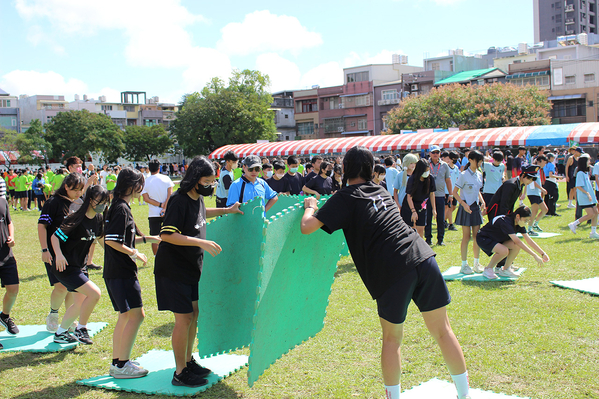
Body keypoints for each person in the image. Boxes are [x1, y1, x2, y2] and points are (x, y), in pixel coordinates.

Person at [300, 146, 471, 399]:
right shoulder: (379, 189)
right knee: (444, 331)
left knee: (392, 340)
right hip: (422, 256)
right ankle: (465, 395)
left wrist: (310, 205)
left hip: (393, 270)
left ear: (344, 169)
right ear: (372, 170)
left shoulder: (345, 196)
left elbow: (306, 227)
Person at [154, 156, 242, 387]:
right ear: (194, 179)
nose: (211, 185)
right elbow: (166, 235)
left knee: (194, 315)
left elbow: (203, 214)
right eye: (207, 181)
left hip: (190, 268)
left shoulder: (197, 198)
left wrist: (227, 210)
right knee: (183, 319)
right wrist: (200, 243)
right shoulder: (179, 200)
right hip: (172, 269)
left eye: (213, 180)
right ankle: (179, 373)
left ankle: (188, 360)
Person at [104, 168, 161, 378]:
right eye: (140, 184)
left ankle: (118, 362)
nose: (142, 188)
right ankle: (122, 365)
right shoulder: (120, 208)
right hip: (121, 271)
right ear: (131, 185)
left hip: (116, 271)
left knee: (126, 315)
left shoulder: (118, 206)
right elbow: (111, 241)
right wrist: (134, 253)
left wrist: (149, 239)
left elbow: (122, 239)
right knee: (137, 315)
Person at [50, 185, 110, 344]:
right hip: (65, 267)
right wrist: (59, 255)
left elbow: (102, 239)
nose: (103, 205)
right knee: (95, 293)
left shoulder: (98, 218)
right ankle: (81, 329)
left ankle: (60, 333)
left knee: (79, 303)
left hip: (79, 267)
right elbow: (55, 238)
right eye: (100, 201)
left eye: (105, 202)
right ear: (90, 200)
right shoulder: (76, 218)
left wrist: (120, 255)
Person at [38, 174, 86, 332]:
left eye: (80, 190)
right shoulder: (53, 202)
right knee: (61, 287)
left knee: (72, 288)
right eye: (75, 190)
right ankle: (53, 314)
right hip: (54, 253)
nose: (78, 193)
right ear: (66, 187)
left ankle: (69, 320)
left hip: (72, 255)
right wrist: (45, 249)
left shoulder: (79, 203)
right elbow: (42, 226)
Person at [477, 206, 549, 279]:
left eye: (528, 220)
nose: (526, 223)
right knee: (504, 250)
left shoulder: (519, 223)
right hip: (483, 238)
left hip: (497, 239)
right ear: (518, 216)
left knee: (515, 246)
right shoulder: (506, 222)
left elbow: (529, 240)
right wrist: (534, 255)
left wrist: (542, 253)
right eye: (526, 220)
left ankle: (506, 269)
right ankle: (488, 269)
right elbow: (518, 242)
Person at [453, 150, 485, 274]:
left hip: (475, 207)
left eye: (481, 161)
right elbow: (455, 192)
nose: (480, 163)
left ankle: (476, 263)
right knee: (466, 237)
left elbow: (478, 191)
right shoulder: (463, 174)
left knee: (477, 237)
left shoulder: (479, 174)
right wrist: (463, 204)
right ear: (470, 160)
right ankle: (464, 265)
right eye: (478, 161)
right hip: (466, 207)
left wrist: (482, 201)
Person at [141, 160, 174, 255]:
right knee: (170, 235)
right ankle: (170, 255)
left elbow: (146, 199)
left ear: (149, 169)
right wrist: (165, 205)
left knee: (155, 237)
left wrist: (160, 205)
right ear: (159, 168)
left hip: (153, 213)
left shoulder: (146, 182)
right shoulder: (166, 178)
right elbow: (170, 194)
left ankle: (156, 257)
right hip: (167, 211)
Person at [401, 159, 436, 239]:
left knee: (421, 229)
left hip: (422, 206)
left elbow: (432, 194)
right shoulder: (412, 179)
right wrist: (413, 211)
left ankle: (419, 249)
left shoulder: (431, 179)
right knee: (411, 230)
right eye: (425, 171)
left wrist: (434, 209)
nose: (427, 173)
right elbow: (409, 196)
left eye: (428, 170)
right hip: (410, 206)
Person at [426, 145, 452, 246]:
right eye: (433, 152)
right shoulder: (426, 164)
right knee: (428, 218)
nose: (435, 154)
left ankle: (440, 239)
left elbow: (448, 180)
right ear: (430, 153)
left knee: (440, 218)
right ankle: (428, 238)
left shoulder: (444, 165)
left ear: (440, 153)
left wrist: (450, 194)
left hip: (440, 195)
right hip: (427, 196)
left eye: (437, 152)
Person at [0, 194, 19, 336]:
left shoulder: (2, 201)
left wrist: (11, 236)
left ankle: (4, 316)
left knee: (13, 289)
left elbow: (9, 221)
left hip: (6, 254)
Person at [568, 154, 599, 239]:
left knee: (596, 213)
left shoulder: (586, 172)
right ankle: (574, 224)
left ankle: (593, 232)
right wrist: (587, 193)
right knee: (591, 214)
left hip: (590, 197)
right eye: (588, 160)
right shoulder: (580, 173)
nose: (589, 162)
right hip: (585, 197)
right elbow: (578, 186)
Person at [526, 155, 548, 236]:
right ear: (541, 160)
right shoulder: (534, 168)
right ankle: (529, 229)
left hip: (536, 193)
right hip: (532, 193)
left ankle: (535, 224)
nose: (545, 165)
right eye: (544, 162)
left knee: (545, 209)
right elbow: (533, 181)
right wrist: (542, 189)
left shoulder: (538, 169)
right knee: (534, 211)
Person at [444, 151, 461, 231]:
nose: (455, 160)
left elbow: (458, 179)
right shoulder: (446, 167)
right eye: (454, 159)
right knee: (448, 208)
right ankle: (451, 224)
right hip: (446, 191)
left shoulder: (456, 168)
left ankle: (443, 221)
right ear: (450, 159)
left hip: (454, 191)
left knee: (453, 207)